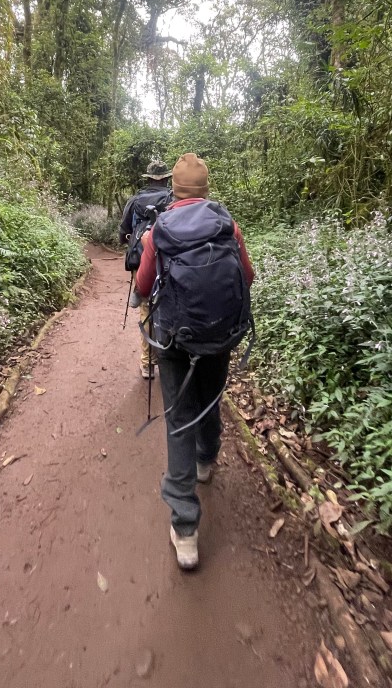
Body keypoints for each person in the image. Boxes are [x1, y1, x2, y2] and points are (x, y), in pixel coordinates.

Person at [135, 152, 254, 570]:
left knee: (179, 418)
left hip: (173, 339)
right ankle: (207, 460)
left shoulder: (160, 229)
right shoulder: (227, 225)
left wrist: (142, 294)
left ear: (174, 189)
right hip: (219, 334)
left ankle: (185, 529)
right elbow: (247, 276)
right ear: (205, 189)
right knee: (210, 398)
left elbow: (143, 285)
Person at [119, 159, 172, 378]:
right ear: (166, 179)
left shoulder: (135, 200)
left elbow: (123, 233)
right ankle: (170, 359)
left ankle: (148, 363)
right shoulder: (173, 199)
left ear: (149, 179)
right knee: (169, 306)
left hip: (141, 260)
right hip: (169, 260)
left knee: (146, 309)